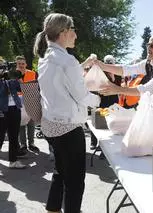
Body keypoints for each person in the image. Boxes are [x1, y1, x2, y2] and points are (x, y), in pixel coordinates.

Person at [33, 13, 100, 213]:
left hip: (51, 125)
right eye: (73, 30)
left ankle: (53, 209)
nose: (75, 35)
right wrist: (99, 99)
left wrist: (83, 65)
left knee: (60, 173)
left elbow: (62, 78)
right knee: (75, 182)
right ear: (63, 32)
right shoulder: (66, 61)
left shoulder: (46, 59)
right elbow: (81, 95)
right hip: (68, 128)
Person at [97, 35, 153, 115]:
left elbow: (145, 89)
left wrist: (117, 89)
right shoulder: (148, 63)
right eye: (148, 45)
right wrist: (103, 66)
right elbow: (127, 69)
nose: (148, 48)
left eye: (152, 46)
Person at [89, 54, 121, 150]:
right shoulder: (100, 72)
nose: (110, 64)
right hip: (103, 100)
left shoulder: (118, 73)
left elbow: (118, 86)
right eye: (108, 63)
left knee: (110, 122)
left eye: (111, 62)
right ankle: (93, 142)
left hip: (114, 101)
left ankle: (104, 145)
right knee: (99, 121)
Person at [0, 58, 27, 169]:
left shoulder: (11, 77)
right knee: (0, 137)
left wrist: (18, 76)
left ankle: (13, 161)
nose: (3, 69)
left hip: (15, 109)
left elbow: (21, 88)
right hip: (2, 110)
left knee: (14, 136)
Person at [15, 55, 40, 153]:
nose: (21, 65)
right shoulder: (12, 74)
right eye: (19, 64)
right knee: (21, 124)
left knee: (31, 123)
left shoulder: (33, 73)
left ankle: (32, 143)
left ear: (26, 64)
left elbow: (37, 86)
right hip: (18, 101)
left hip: (31, 100)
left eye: (22, 63)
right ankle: (23, 144)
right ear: (16, 65)